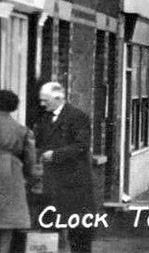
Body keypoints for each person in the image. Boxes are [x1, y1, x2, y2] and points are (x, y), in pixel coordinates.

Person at [33, 83, 95, 253]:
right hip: (52, 183)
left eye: (45, 100)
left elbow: (81, 146)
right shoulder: (44, 117)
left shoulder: (78, 117)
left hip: (74, 183)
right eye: (41, 100)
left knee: (78, 232)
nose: (42, 104)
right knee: (50, 228)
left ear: (58, 98)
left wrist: (55, 155)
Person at [0, 90, 36, 253]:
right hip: (10, 174)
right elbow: (30, 160)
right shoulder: (21, 130)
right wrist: (30, 177)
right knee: (6, 225)